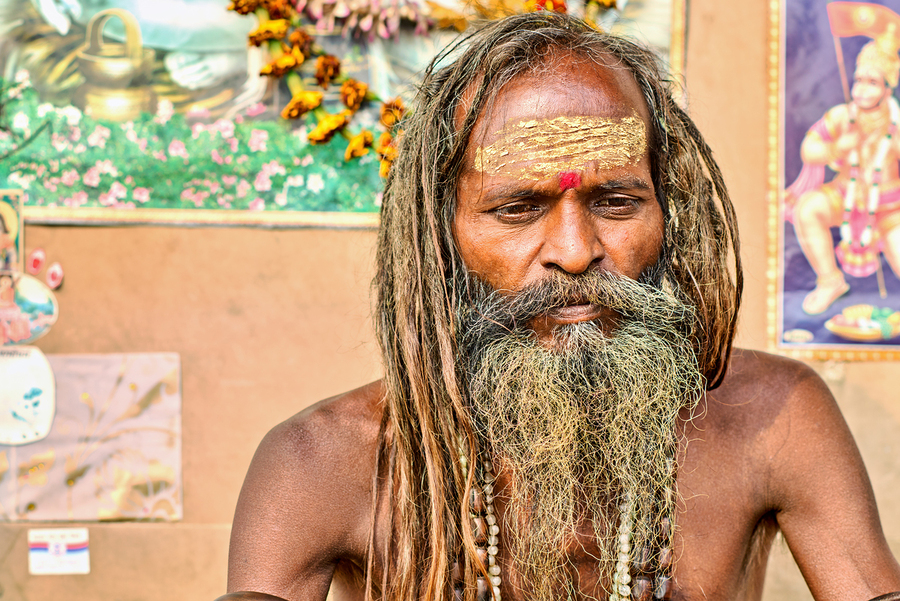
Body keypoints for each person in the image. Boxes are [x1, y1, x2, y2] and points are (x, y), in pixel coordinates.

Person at [219, 13, 900, 601]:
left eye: (616, 202)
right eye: (518, 209)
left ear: (668, 212)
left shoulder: (775, 419)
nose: (575, 251)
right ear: (440, 236)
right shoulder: (319, 461)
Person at [786, 25, 900, 315]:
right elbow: (808, 149)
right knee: (808, 209)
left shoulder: (895, 124)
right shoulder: (842, 116)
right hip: (845, 194)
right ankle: (830, 281)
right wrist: (837, 149)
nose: (862, 88)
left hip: (889, 207)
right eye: (859, 79)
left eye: (872, 82)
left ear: (887, 87)